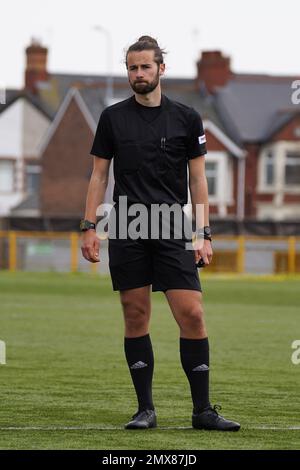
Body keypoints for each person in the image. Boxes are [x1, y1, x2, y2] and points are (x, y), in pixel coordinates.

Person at [81, 36, 240, 431]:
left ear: (161, 69)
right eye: (132, 68)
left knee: (193, 313)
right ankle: (145, 410)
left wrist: (204, 232)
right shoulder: (112, 118)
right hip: (126, 224)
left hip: (172, 224)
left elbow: (198, 179)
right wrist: (89, 227)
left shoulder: (187, 118)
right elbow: (99, 175)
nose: (138, 74)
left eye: (145, 67)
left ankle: (203, 411)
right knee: (135, 315)